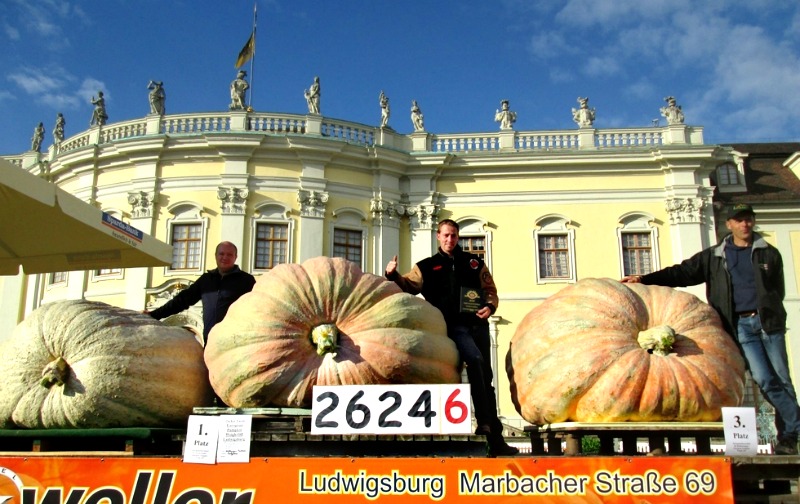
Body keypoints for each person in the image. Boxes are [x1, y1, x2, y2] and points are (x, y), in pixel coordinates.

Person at [622, 203, 800, 455]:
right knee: (764, 379)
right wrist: (645, 279)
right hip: (740, 326)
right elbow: (683, 273)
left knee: (783, 379)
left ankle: (790, 437)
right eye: (739, 220)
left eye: (748, 219)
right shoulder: (715, 257)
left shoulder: (769, 253)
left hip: (767, 323)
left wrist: (772, 314)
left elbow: (776, 290)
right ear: (729, 224)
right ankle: (795, 430)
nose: (744, 224)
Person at [385, 219, 519, 457]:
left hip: (478, 326)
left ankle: (495, 440)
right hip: (452, 328)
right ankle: (484, 422)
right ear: (438, 236)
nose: (450, 240)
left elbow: (490, 291)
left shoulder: (474, 263)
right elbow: (408, 286)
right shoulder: (426, 266)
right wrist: (392, 274)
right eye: (446, 235)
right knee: (475, 361)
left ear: (458, 237)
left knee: (486, 378)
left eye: (454, 236)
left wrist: (489, 306)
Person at [148, 241, 256, 346]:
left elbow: (256, 310)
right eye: (221, 254)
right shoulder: (206, 280)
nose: (225, 257)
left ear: (235, 257)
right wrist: (153, 315)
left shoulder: (247, 281)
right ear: (215, 256)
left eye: (229, 254)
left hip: (235, 343)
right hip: (210, 342)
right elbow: (182, 300)